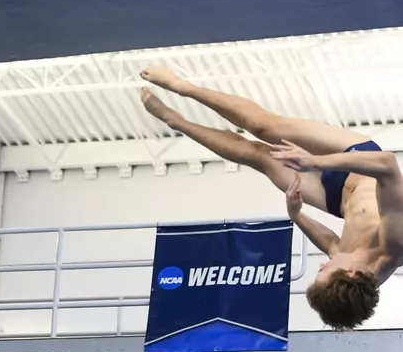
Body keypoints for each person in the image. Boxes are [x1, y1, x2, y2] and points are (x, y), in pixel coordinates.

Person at [140, 65, 403, 330]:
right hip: (360, 162)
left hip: (336, 198)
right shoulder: (394, 244)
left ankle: (178, 123)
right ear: (351, 273)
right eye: (324, 269)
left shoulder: (351, 269)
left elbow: (333, 244)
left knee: (259, 156)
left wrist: (296, 215)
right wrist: (314, 161)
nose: (323, 262)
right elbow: (387, 165)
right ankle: (183, 87)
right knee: (263, 127)